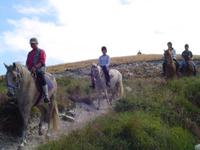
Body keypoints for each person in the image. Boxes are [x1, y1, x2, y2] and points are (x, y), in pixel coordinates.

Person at [26, 37, 50, 103]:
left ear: (37, 43)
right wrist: (27, 68)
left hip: (40, 68)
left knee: (40, 74)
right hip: (31, 70)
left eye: (33, 43)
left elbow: (42, 61)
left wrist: (35, 67)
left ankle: (46, 95)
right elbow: (27, 63)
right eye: (31, 44)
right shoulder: (29, 53)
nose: (32, 45)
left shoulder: (41, 51)